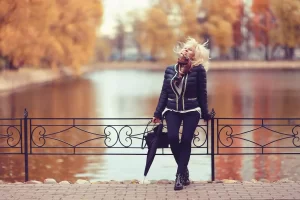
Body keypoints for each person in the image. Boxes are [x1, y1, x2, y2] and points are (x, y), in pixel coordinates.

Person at [152, 37, 211, 190]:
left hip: (192, 111)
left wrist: (205, 113)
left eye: (190, 49)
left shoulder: (198, 70)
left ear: (194, 55)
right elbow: (164, 92)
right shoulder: (170, 69)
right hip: (172, 110)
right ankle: (184, 170)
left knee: (186, 140)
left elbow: (202, 93)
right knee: (172, 137)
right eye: (185, 47)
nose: (186, 50)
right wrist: (157, 113)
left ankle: (179, 176)